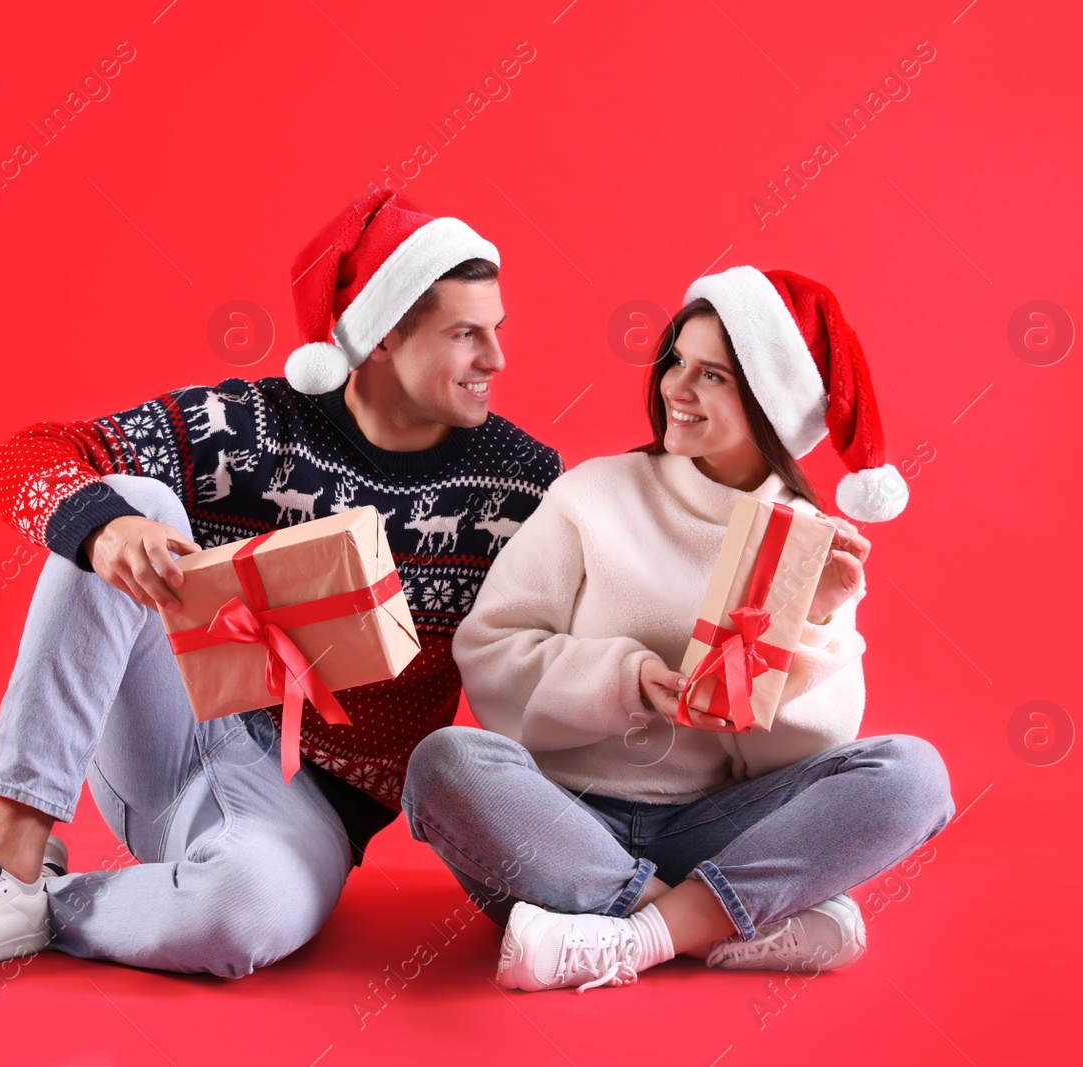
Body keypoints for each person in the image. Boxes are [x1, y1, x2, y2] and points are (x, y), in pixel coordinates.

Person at [0, 188, 563, 988]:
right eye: (466, 334)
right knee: (131, 503)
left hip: (309, 809)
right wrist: (109, 530)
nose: (496, 359)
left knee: (244, 911)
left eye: (497, 330)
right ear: (384, 338)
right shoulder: (247, 426)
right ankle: (6, 854)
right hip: (173, 725)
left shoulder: (522, 483)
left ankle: (30, 898)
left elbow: (550, 647)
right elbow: (25, 458)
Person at [401, 265, 955, 993]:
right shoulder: (592, 495)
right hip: (563, 824)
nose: (675, 389)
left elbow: (797, 762)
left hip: (712, 828)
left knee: (913, 774)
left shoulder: (809, 542)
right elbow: (491, 652)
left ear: (770, 402)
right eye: (676, 362)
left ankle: (621, 937)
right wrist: (625, 680)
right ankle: (707, 930)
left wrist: (811, 621)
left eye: (713, 375)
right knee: (447, 761)